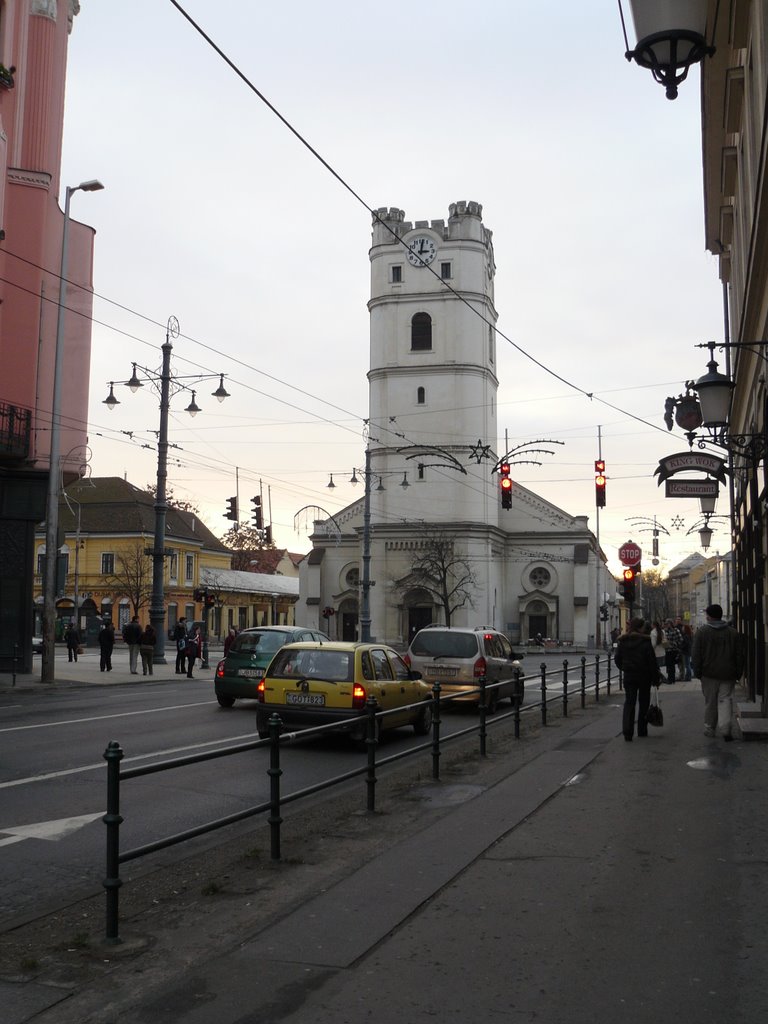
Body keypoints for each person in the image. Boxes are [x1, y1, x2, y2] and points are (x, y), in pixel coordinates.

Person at [692, 603, 746, 741]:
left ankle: (710, 728)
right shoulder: (733, 633)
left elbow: (696, 654)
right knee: (725, 700)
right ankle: (725, 728)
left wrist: (697, 671)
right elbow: (739, 655)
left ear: (709, 617)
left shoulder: (702, 632)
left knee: (710, 702)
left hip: (708, 673)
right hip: (728, 673)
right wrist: (738, 672)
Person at [614, 617, 661, 741]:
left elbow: (617, 659)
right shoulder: (645, 642)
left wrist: (625, 668)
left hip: (629, 676)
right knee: (644, 702)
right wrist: (656, 679)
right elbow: (652, 662)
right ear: (641, 628)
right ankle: (641, 730)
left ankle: (627, 732)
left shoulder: (623, 641)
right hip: (644, 676)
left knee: (629, 703)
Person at [663, 618, 683, 684]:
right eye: (666, 624)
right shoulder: (665, 631)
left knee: (672, 665)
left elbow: (680, 640)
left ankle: (672, 679)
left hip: (673, 650)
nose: (666, 625)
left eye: (667, 623)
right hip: (667, 650)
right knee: (668, 665)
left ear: (671, 624)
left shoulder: (676, 630)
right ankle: (669, 678)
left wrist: (673, 643)